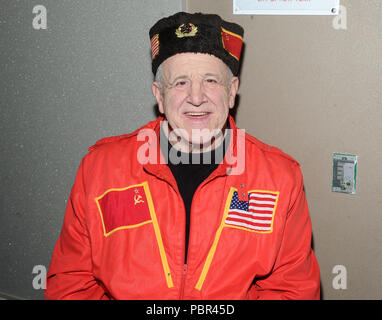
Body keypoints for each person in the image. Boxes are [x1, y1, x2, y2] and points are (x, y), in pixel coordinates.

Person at [45, 12, 320, 300]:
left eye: (211, 80)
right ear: (159, 96)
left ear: (232, 92)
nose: (197, 97)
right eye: (180, 83)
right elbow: (71, 283)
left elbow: (293, 290)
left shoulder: (279, 178)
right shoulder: (100, 169)